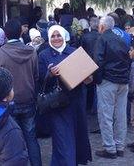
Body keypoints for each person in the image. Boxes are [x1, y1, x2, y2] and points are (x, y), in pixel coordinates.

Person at [38, 25, 93, 165]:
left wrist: (88, 77)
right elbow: (39, 79)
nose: (56, 38)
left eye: (59, 35)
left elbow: (88, 78)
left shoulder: (74, 52)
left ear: (64, 36)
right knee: (62, 138)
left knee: (76, 135)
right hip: (57, 103)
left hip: (75, 101)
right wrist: (50, 75)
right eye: (53, 36)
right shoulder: (44, 55)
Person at [0, 19, 42, 166]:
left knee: (12, 140)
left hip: (7, 102)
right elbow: (36, 76)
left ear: (5, 34)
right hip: (28, 100)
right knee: (31, 138)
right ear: (21, 32)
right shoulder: (31, 52)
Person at [93, 16, 131, 159]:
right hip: (123, 81)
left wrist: (97, 80)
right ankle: (120, 146)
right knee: (121, 114)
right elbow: (128, 59)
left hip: (108, 80)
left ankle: (110, 148)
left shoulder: (102, 39)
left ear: (102, 27)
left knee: (106, 115)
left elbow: (98, 61)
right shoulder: (122, 39)